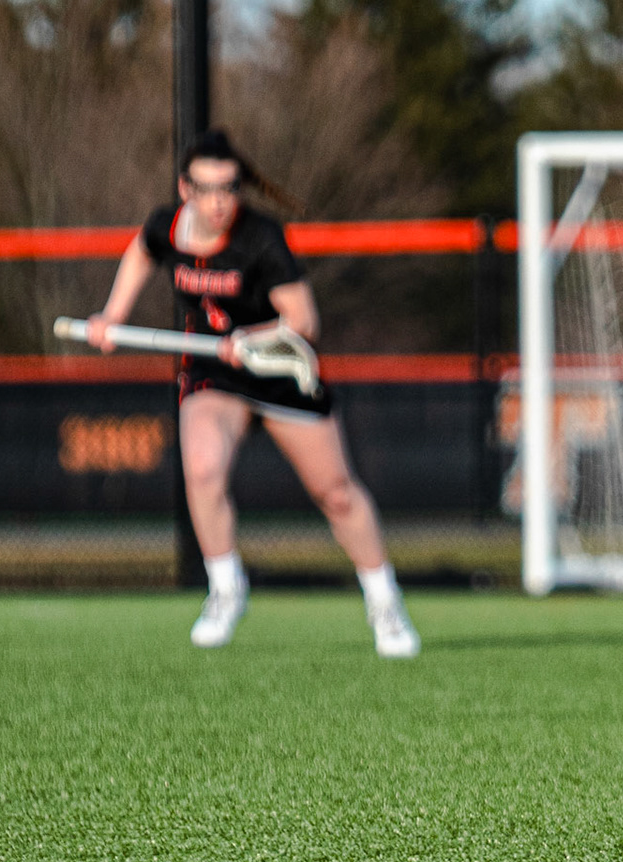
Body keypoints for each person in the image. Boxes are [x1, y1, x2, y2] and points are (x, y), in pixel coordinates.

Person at [89, 129, 420, 658]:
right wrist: (112, 315)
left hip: (279, 366)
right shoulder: (165, 227)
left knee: (336, 492)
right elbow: (141, 252)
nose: (219, 202)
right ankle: (226, 588)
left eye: (229, 188)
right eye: (207, 189)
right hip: (213, 372)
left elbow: (304, 321)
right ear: (184, 189)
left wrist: (250, 339)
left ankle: (385, 600)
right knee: (202, 466)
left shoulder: (260, 238)